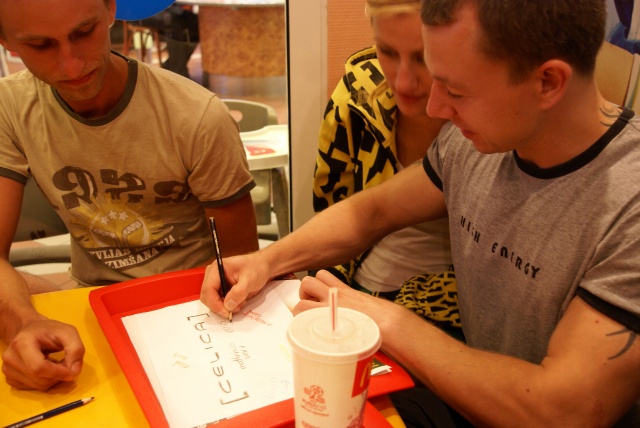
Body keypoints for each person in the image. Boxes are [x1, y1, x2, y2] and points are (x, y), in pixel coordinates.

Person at [202, 0, 640, 425]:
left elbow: (562, 409)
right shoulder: (473, 144)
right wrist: (267, 260)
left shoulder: (629, 203)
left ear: (548, 82)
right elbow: (373, 211)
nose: (435, 108)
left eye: (457, 90)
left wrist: (387, 320)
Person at [0, 0, 259, 391]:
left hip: (194, 309)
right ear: (6, 42)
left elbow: (241, 266)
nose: (71, 65)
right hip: (90, 301)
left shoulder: (197, 116)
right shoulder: (10, 107)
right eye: (40, 45)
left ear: (110, 10)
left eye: (83, 32)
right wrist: (24, 323)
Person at [312, 0, 461, 337]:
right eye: (388, 52)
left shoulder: (491, 114)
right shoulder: (357, 96)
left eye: (424, 57)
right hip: (359, 292)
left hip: (457, 316)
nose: (404, 82)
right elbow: (335, 211)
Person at [131, 4, 200, 79]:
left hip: (165, 8)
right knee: (173, 20)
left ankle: (172, 66)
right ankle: (179, 72)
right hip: (138, 12)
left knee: (195, 20)